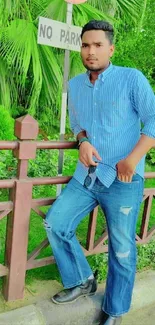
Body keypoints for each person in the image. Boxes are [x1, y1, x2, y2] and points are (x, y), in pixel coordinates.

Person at [44, 20, 155, 325]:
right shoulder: (75, 86)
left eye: (97, 45)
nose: (90, 51)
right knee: (56, 224)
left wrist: (133, 159)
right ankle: (82, 280)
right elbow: (78, 125)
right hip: (86, 177)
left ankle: (115, 311)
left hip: (122, 180)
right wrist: (82, 141)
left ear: (110, 49)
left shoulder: (131, 79)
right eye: (85, 45)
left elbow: (153, 120)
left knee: (121, 250)